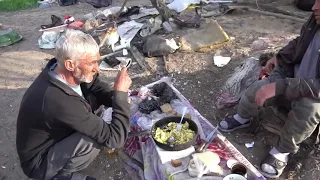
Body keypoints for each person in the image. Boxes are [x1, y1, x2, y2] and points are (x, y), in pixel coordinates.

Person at [218, 0, 320, 178]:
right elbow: (299, 42)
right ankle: (243, 119)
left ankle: (282, 151)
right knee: (256, 89)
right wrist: (279, 58)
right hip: (293, 78)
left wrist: (280, 86)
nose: (314, 7)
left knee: (309, 108)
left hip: (313, 95)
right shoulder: (316, 19)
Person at [16, 29, 132, 180]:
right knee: (93, 139)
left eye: (97, 61)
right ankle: (59, 175)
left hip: (55, 136)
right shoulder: (58, 100)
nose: (97, 68)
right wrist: (120, 95)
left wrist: (115, 98)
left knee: (93, 100)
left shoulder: (59, 70)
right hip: (39, 163)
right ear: (70, 64)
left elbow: (95, 85)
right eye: (92, 63)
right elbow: (115, 139)